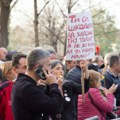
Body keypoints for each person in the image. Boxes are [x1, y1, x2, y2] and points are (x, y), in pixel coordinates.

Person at [11, 48, 63, 120]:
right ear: (38, 67)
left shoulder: (29, 83)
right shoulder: (26, 87)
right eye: (48, 65)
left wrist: (47, 85)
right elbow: (56, 107)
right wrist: (53, 84)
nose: (50, 69)